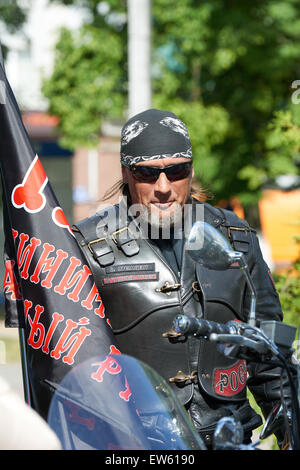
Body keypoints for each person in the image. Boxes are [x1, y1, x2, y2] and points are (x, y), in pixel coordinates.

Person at [73, 108, 288, 449]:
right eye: (147, 172)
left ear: (190, 170)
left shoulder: (235, 236)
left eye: (176, 171)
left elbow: (269, 350)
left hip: (230, 440)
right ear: (127, 173)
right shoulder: (87, 247)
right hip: (139, 445)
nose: (163, 187)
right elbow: (72, 369)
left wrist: (288, 419)